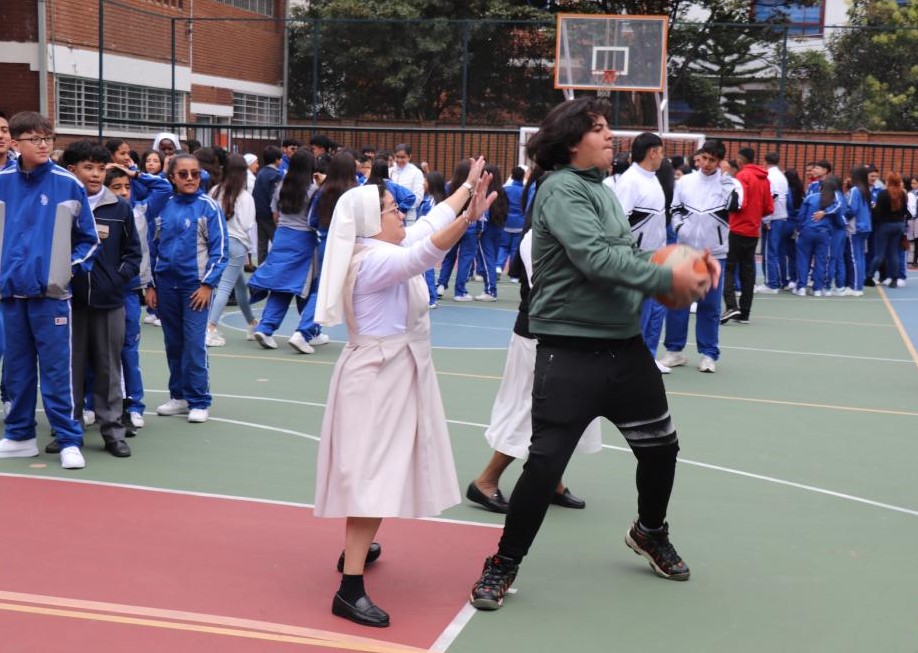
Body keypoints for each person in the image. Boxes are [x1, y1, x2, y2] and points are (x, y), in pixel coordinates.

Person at [467, 98, 717, 612]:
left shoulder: (602, 190)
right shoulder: (559, 190)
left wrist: (667, 262)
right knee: (542, 467)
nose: (610, 138)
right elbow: (596, 259)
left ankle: (649, 532)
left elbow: (621, 254)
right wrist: (668, 274)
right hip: (571, 351)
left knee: (660, 448)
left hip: (623, 349)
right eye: (599, 131)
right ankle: (504, 563)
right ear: (571, 142)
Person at [313, 158, 497, 628]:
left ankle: (357, 549)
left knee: (378, 474)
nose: (402, 216)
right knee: (370, 479)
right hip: (376, 379)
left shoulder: (380, 247)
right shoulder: (373, 260)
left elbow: (427, 230)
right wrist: (466, 217)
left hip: (391, 375)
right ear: (373, 222)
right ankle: (349, 589)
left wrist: (463, 192)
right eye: (394, 210)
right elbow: (427, 251)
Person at [467, 207, 597, 515]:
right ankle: (486, 481)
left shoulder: (568, 235)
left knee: (568, 409)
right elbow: (552, 289)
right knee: (532, 410)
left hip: (566, 333)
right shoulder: (534, 240)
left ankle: (551, 479)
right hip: (539, 336)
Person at [0, 112, 100, 470]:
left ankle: (69, 439)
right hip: (10, 296)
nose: (43, 144)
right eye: (34, 138)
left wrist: (64, 270)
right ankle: (20, 436)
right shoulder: (2, 182)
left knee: (58, 371)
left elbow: (89, 240)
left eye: (48, 137)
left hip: (52, 297)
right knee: (17, 370)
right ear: (16, 143)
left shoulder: (67, 184)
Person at [46, 140, 142, 459]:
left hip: (108, 301)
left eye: (101, 168)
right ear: (71, 171)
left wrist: (115, 279)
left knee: (108, 368)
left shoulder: (119, 207)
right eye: (89, 167)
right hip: (67, 302)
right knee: (68, 369)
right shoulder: (60, 205)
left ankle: (112, 431)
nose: (96, 174)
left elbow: (133, 254)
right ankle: (67, 431)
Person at [146, 153, 228, 424]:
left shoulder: (209, 207)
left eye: (195, 173)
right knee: (174, 343)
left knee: (194, 344)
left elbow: (221, 251)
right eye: (183, 174)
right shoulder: (163, 207)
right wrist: (151, 285)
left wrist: (207, 285)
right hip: (166, 285)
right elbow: (151, 248)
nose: (190, 178)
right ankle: (178, 395)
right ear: (172, 177)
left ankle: (199, 399)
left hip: (196, 287)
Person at [103, 161, 173, 429]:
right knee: (96, 352)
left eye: (127, 187)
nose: (123, 191)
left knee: (128, 350)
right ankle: (92, 404)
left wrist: (134, 172)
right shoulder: (92, 211)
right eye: (116, 187)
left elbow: (164, 188)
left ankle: (133, 405)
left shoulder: (140, 212)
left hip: (129, 291)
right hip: (99, 291)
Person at [658, 139, 736, 373]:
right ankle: (674, 351)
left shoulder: (731, 184)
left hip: (715, 253)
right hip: (685, 253)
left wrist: (725, 180)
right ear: (699, 156)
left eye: (713, 160)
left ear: (720, 161)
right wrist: (682, 231)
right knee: (677, 302)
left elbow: (735, 205)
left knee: (709, 306)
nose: (708, 164)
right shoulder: (686, 182)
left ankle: (709, 354)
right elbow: (675, 209)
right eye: (705, 158)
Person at [248, 149, 322, 353]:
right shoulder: (313, 189)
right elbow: (314, 220)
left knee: (281, 286)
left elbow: (275, 215)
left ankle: (266, 327)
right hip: (303, 240)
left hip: (282, 237)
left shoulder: (281, 186)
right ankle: (306, 331)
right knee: (309, 286)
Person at [609, 132, 669, 372]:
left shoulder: (652, 178)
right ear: (653, 152)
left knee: (657, 308)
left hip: (657, 255)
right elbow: (619, 222)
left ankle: (647, 356)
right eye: (662, 152)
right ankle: (630, 360)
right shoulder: (630, 181)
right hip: (638, 257)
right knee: (639, 312)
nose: (663, 158)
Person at [207, 154, 258, 346]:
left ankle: (252, 323)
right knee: (226, 286)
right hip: (236, 244)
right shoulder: (245, 197)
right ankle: (210, 327)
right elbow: (247, 224)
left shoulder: (214, 191)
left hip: (217, 243)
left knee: (239, 286)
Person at [721, 147, 773, 325]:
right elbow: (768, 208)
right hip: (753, 229)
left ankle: (730, 305)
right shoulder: (764, 179)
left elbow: (737, 203)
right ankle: (745, 312)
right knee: (748, 271)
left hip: (737, 228)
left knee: (728, 268)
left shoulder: (742, 177)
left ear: (740, 160)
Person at [794, 176, 845, 296]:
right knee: (821, 261)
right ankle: (817, 288)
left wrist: (800, 229)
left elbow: (801, 216)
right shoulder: (833, 202)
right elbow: (839, 216)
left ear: (820, 187)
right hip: (823, 233)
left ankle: (801, 287)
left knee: (803, 259)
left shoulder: (811, 197)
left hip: (807, 231)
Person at [867, 172, 909, 288]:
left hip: (884, 225)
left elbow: (878, 212)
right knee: (894, 253)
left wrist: (873, 212)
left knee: (879, 253)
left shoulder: (883, 194)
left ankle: (869, 276)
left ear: (888, 181)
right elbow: (905, 210)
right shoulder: (903, 194)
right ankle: (894, 279)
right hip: (898, 225)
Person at [755, 152, 789, 294]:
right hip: (781, 216)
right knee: (778, 251)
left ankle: (772, 283)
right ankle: (781, 280)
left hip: (773, 218)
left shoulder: (770, 176)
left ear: (765, 161)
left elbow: (772, 196)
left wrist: (766, 218)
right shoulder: (782, 176)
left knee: (770, 252)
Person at [253, 145, 284, 265]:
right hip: (270, 214)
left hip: (259, 213)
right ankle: (275, 269)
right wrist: (276, 213)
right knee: (277, 243)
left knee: (262, 244)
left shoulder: (261, 173)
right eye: (280, 159)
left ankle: (261, 268)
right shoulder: (276, 175)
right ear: (277, 160)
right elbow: (274, 196)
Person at [844, 166, 873, 296]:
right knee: (860, 257)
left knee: (854, 257)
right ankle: (858, 285)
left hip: (855, 227)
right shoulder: (865, 190)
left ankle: (855, 287)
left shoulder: (855, 190)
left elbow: (851, 209)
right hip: (864, 226)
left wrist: (842, 219)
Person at [496, 166, 528, 279]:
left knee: (503, 246)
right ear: (523, 176)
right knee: (515, 248)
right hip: (520, 223)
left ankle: (498, 266)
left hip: (506, 222)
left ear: (511, 175)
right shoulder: (525, 191)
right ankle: (514, 274)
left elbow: (500, 204)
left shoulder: (506, 189)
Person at [388, 143, 425, 223]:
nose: (399, 160)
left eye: (403, 157)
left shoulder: (416, 172)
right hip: (389, 214)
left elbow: (418, 197)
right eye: (397, 157)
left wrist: (401, 208)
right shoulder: (390, 171)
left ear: (409, 157)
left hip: (407, 217)